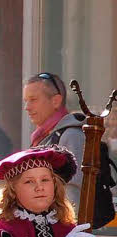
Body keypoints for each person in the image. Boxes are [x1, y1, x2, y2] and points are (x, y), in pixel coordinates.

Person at [23, 72, 85, 201]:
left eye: (33, 100)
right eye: (26, 101)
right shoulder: (43, 136)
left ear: (56, 101)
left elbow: (73, 192)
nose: (26, 107)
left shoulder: (71, 136)